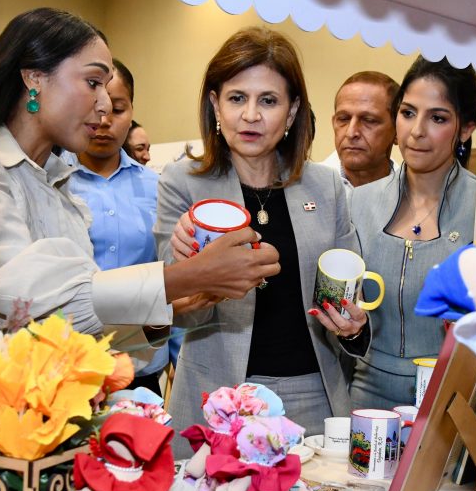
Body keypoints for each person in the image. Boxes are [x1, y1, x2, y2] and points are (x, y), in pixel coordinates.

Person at [0, 9, 279, 442]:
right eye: (93, 83)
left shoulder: (59, 190)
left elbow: (75, 329)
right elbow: (30, 302)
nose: (104, 104)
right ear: (34, 79)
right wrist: (181, 277)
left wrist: (169, 309)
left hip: (35, 420)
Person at [155, 27, 368, 442]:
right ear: (216, 104)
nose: (251, 115)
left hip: (314, 399)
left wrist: (355, 326)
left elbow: (349, 296)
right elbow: (173, 309)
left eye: (268, 100)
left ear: (291, 113)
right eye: (237, 98)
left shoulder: (326, 186)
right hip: (217, 398)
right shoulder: (183, 182)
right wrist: (196, 269)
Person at [347, 57, 476, 411]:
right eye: (408, 113)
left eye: (437, 118)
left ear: (466, 128)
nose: (417, 131)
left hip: (452, 403)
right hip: (364, 400)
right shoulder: (358, 203)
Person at [59, 59, 170, 395]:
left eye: (117, 109)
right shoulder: (54, 182)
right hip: (68, 366)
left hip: (141, 364)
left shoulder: (158, 188)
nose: (104, 120)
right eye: (94, 107)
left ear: (131, 110)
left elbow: (172, 278)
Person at [324, 71, 398, 188]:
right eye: (343, 119)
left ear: (398, 131)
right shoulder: (305, 189)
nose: (351, 133)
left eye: (369, 120)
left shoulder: (415, 195)